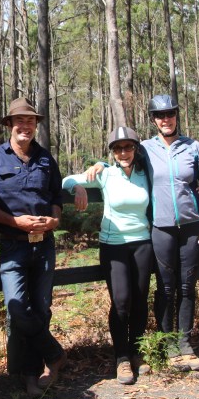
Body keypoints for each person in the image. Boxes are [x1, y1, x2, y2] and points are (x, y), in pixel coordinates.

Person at [87, 94, 199, 371]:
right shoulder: (145, 149)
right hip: (160, 227)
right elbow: (122, 160)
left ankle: (185, 343)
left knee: (187, 286)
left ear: (176, 116)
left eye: (170, 113)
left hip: (192, 226)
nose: (165, 119)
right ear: (153, 120)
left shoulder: (193, 147)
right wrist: (100, 164)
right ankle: (167, 344)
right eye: (160, 115)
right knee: (165, 287)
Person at [0, 97, 67, 396]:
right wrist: (15, 222)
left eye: (30, 120)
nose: (25, 125)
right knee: (16, 307)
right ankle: (54, 354)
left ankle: (33, 374)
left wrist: (54, 220)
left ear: (35, 124)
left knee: (41, 308)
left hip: (44, 246)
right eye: (19, 120)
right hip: (13, 246)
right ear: (10, 125)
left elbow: (56, 196)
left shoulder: (45, 158)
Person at [63, 126, 154, 385]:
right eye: (117, 148)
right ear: (112, 153)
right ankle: (121, 358)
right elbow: (66, 180)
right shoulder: (105, 174)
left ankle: (136, 352)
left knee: (140, 300)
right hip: (114, 245)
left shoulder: (145, 173)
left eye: (128, 147)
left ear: (135, 149)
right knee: (122, 301)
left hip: (142, 243)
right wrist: (79, 188)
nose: (123, 152)